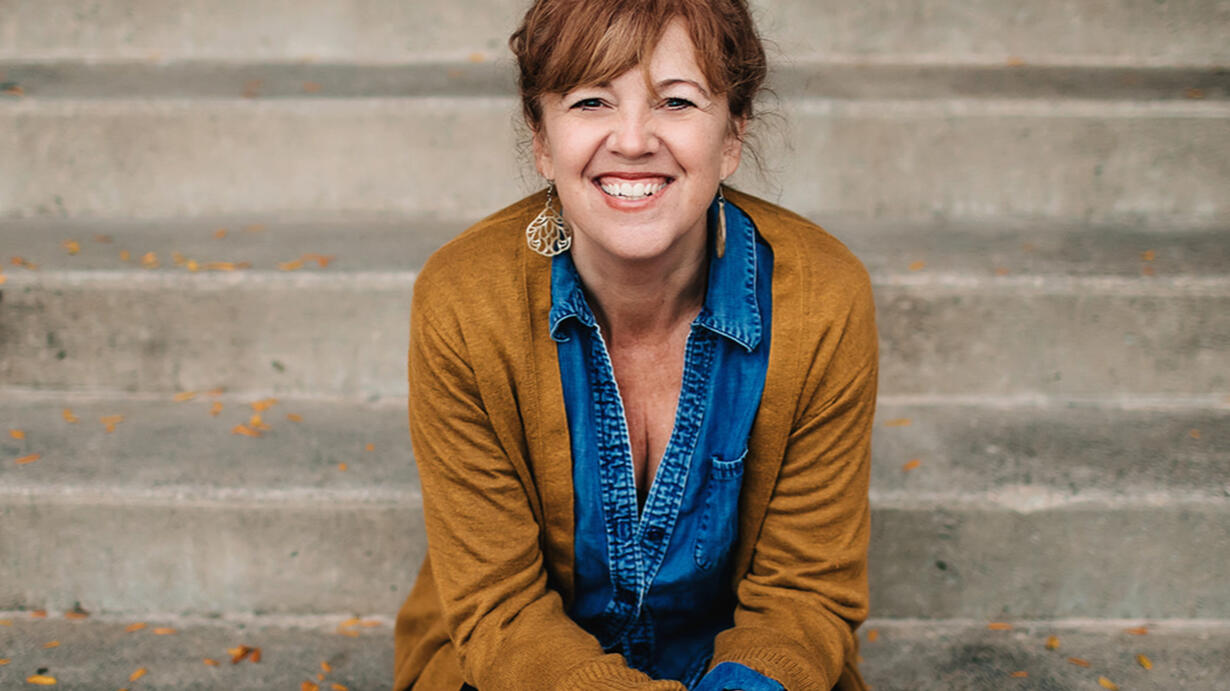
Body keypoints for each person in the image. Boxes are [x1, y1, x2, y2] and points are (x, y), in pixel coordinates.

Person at [394, 1, 877, 689]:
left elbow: (802, 596)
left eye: (676, 102)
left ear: (732, 133)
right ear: (541, 137)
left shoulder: (823, 299)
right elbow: (499, 610)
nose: (631, 140)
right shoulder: (464, 300)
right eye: (591, 101)